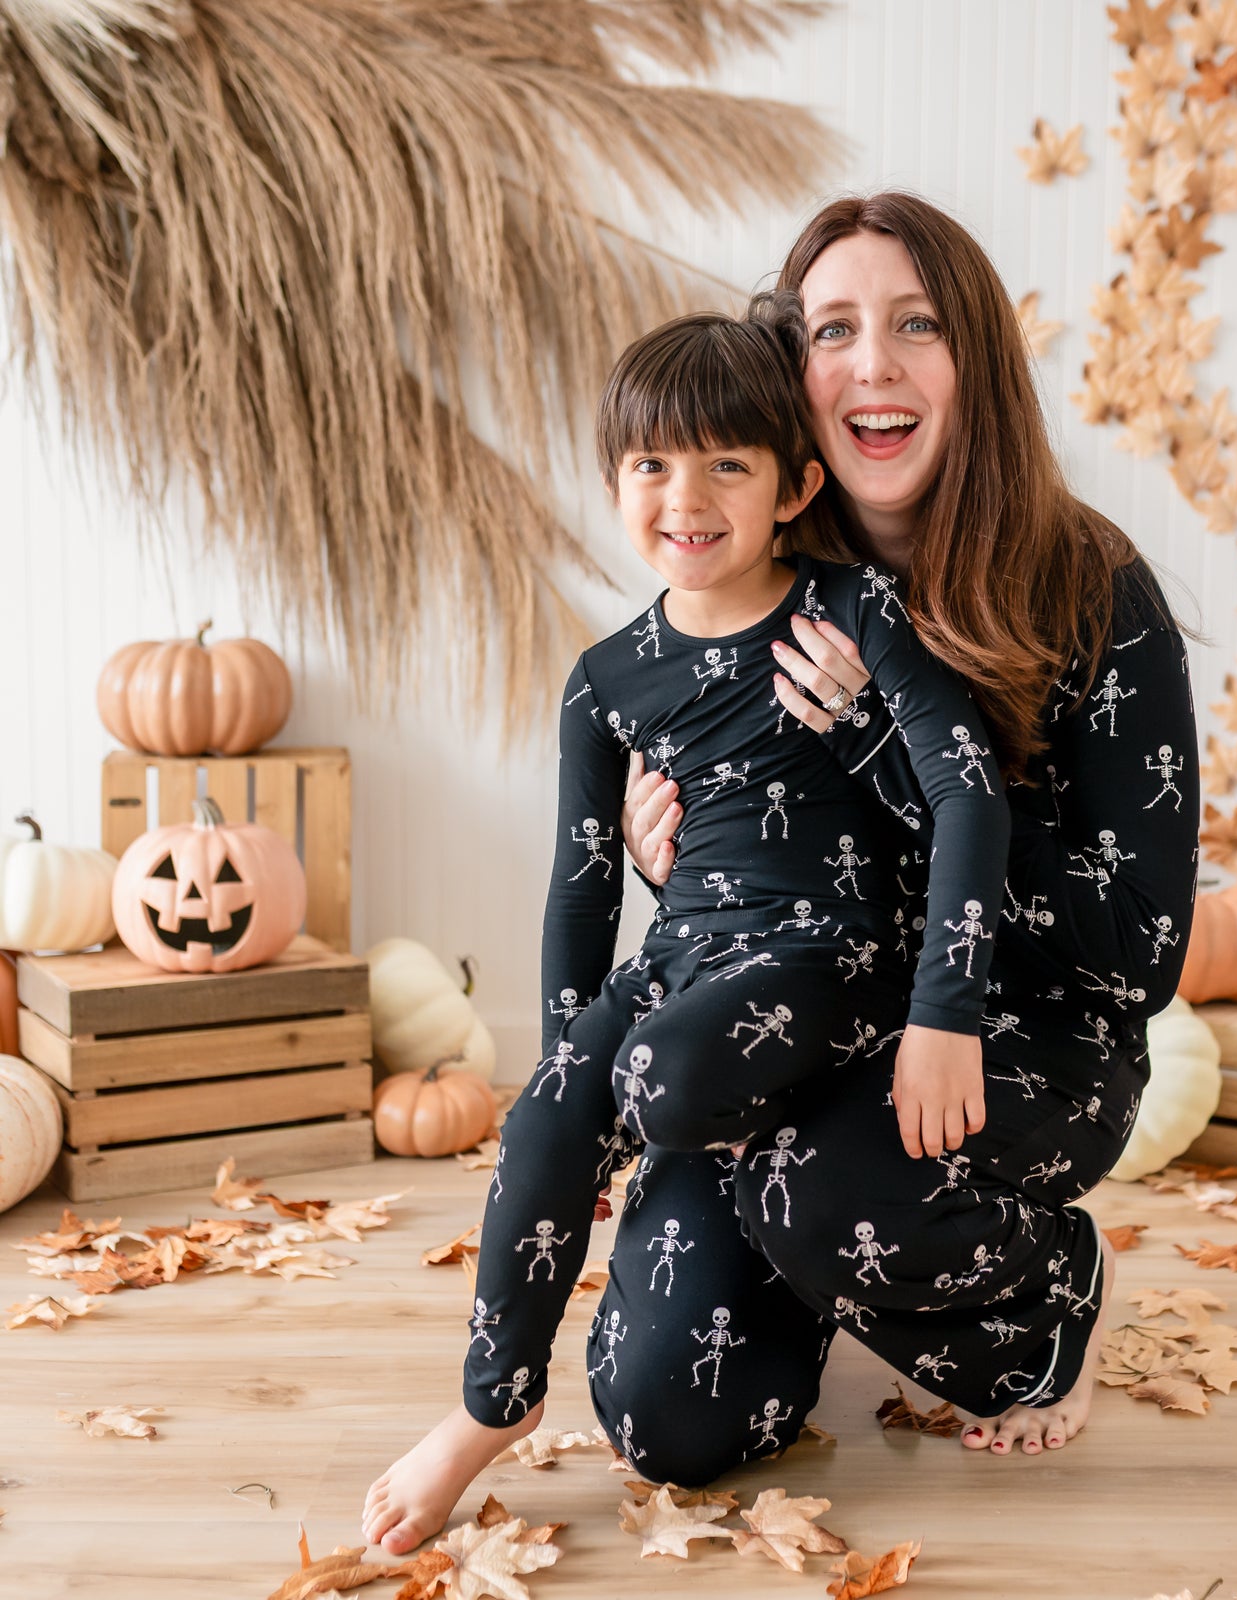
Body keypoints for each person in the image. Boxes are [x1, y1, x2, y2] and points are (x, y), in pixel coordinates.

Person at [363, 300, 1013, 1554]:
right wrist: (568, 1060)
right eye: (653, 462)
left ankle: (782, 1225)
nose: (687, 493)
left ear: (794, 484)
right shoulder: (607, 677)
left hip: (830, 962)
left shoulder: (852, 610)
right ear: (615, 481)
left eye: (728, 462)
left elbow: (965, 792)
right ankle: (486, 1408)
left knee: (659, 1071)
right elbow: (581, 881)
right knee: (551, 1110)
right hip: (684, 967)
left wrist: (946, 1007)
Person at [611, 191, 1204, 1469]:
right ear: (794, 375)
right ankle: (836, 1268)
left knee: (824, 1190)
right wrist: (668, 857)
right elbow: (742, 882)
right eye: (832, 330)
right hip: (797, 1022)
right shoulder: (746, 556)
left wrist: (891, 751)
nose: (871, 363)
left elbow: (1139, 954)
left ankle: (1047, 1293)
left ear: (972, 357)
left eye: (914, 323)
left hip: (1016, 1033)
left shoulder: (1090, 584)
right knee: (666, 1413)